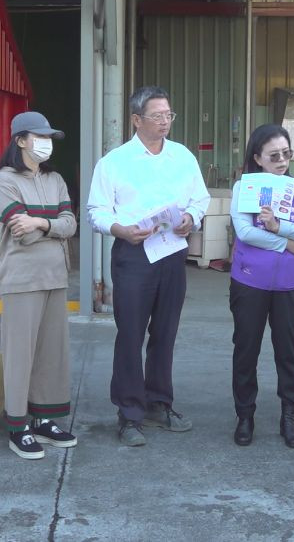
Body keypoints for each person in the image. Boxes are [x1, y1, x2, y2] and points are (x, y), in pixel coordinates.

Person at [86, 85, 211, 446]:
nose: (164, 122)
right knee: (130, 334)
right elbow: (96, 211)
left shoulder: (182, 157)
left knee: (165, 332)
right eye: (157, 116)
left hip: (172, 251)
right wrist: (120, 229)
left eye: (168, 115)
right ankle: (129, 414)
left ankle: (158, 403)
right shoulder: (114, 162)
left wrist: (191, 217)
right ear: (136, 120)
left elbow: (200, 197)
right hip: (133, 253)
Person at [0, 111, 78, 460]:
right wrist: (51, 225)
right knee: (20, 354)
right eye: (40, 137)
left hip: (56, 275)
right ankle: (18, 426)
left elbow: (70, 224)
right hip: (21, 278)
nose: (46, 143)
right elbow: (20, 231)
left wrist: (40, 223)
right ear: (21, 140)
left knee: (51, 352)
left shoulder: (55, 179)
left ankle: (44, 419)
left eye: (48, 138)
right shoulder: (4, 180)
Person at [228, 124, 294, 447]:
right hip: (249, 281)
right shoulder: (245, 187)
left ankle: (290, 415)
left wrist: (279, 226)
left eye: (286, 154)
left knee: (289, 351)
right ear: (258, 158)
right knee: (246, 349)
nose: (282, 161)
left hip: (289, 284)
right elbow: (245, 232)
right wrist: (286, 243)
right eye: (274, 156)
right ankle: (245, 415)